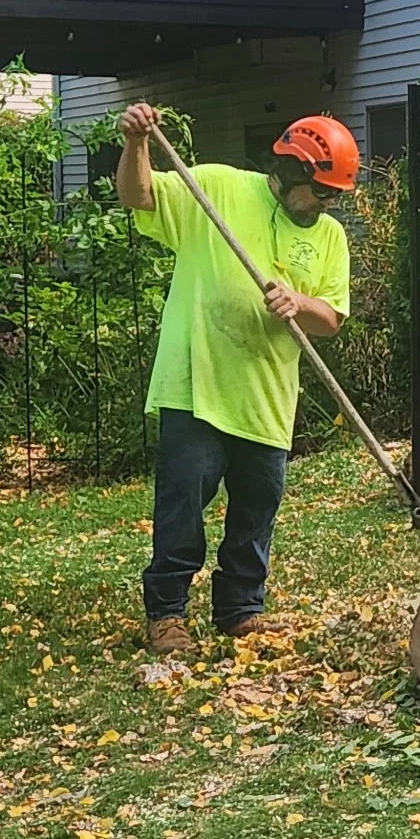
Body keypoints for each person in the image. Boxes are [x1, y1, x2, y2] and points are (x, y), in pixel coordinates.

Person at [115, 103, 356, 655]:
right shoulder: (216, 188)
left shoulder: (330, 237)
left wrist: (299, 302)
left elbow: (333, 318)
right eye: (322, 192)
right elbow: (140, 196)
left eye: (336, 196)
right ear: (295, 171)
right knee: (183, 502)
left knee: (256, 506)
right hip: (196, 384)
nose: (328, 204)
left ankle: (241, 608)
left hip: (267, 397)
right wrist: (136, 144)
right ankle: (168, 612)